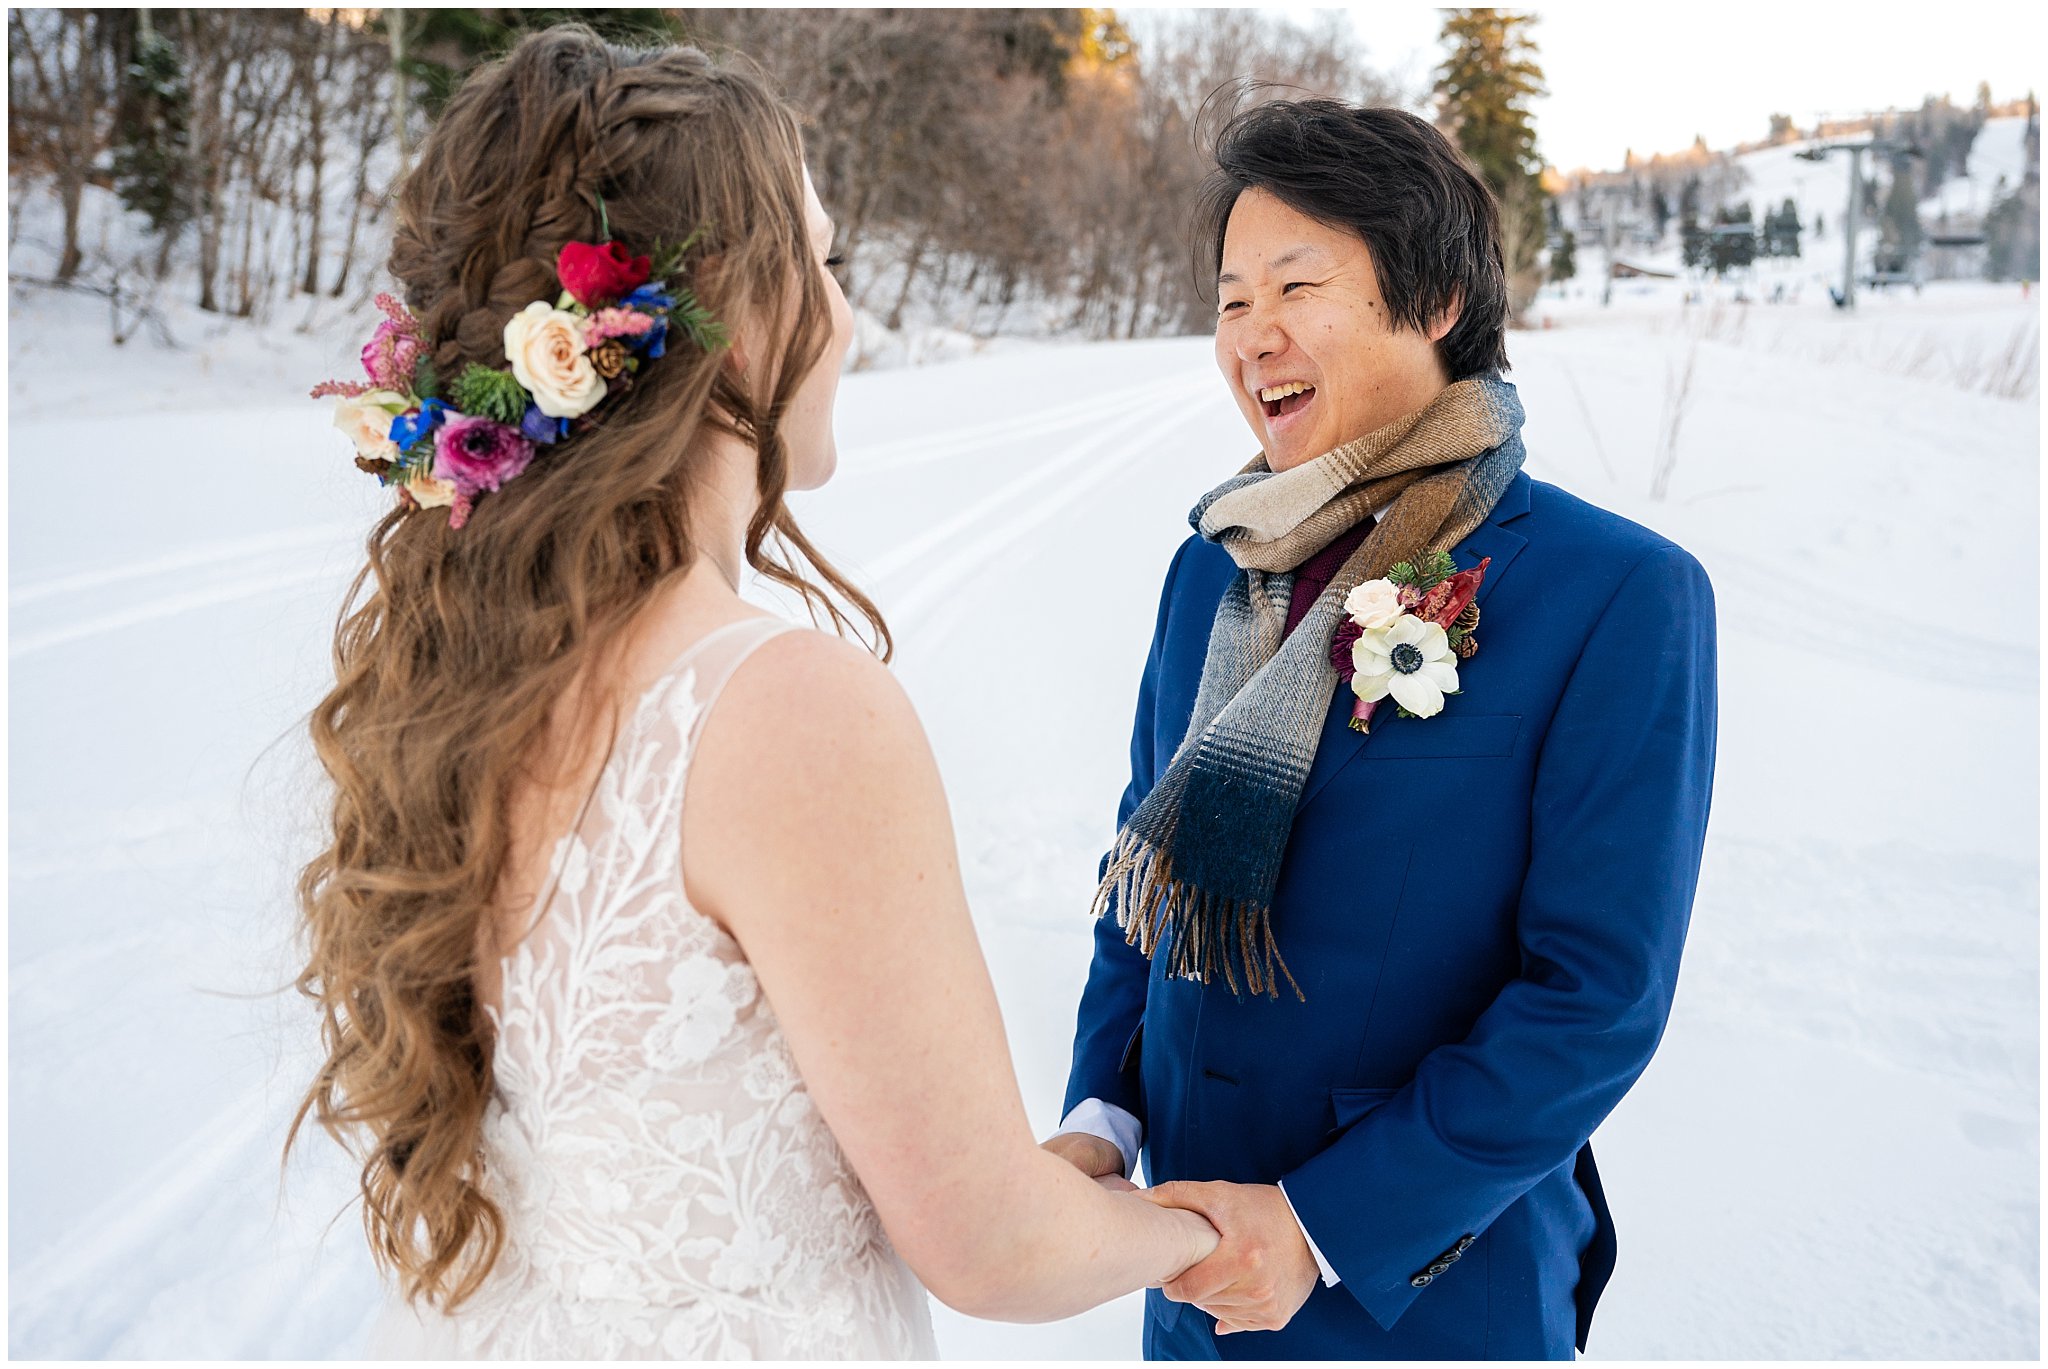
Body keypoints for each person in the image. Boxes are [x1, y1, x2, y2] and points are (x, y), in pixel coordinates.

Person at [288, 27, 1215, 1359]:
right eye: (825, 263)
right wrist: (1223, 1236)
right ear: (731, 311)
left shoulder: (469, 681)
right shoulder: (785, 712)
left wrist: (1025, 1176)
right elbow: (992, 1248)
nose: (849, 316)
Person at [1046, 99, 1718, 1359]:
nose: (1254, 336)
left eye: (1296, 286)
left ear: (1437, 304)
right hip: (1192, 1277)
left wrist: (1316, 1224)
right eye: (1230, 299)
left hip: (1420, 1293)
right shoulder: (1212, 570)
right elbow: (1144, 872)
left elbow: (1591, 997)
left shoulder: (1613, 593)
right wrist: (1103, 1115)